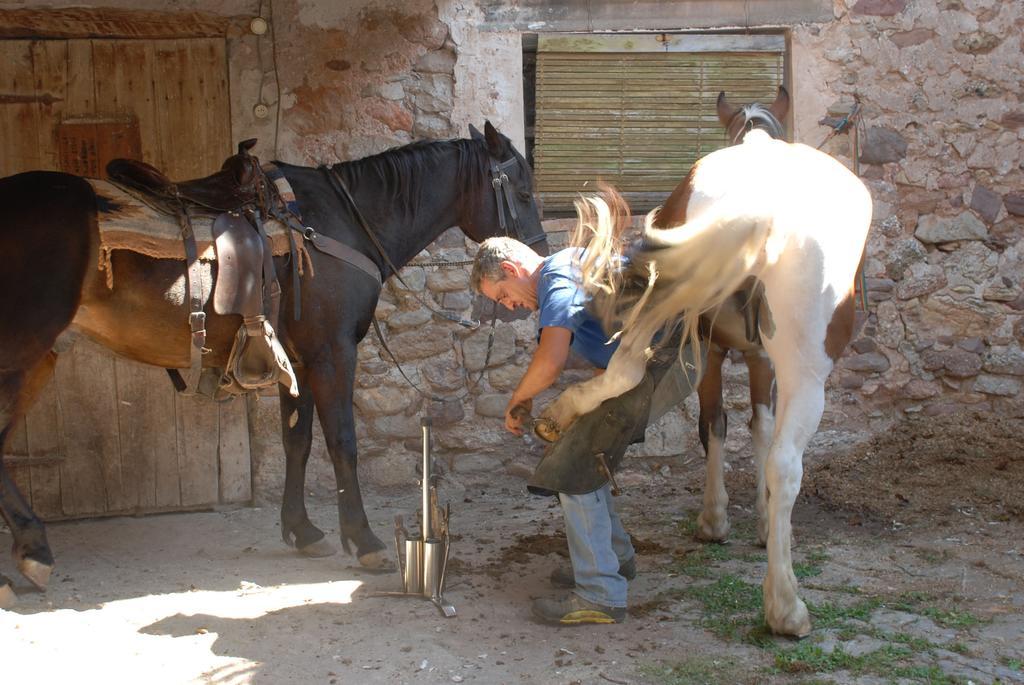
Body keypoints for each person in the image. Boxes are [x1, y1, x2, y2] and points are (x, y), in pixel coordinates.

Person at [470, 236, 639, 625]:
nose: (509, 306)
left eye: (502, 295)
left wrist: (516, 401)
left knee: (571, 465)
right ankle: (616, 560)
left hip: (654, 367)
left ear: (511, 271)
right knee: (584, 453)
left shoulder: (557, 275)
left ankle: (601, 593)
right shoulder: (565, 271)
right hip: (639, 370)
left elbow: (550, 362)